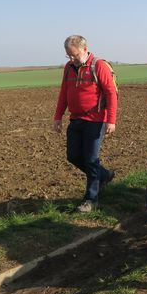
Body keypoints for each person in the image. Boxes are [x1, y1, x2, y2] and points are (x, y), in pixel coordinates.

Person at [53, 35, 117, 213]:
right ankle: (104, 175)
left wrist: (111, 120)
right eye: (68, 56)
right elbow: (64, 93)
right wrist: (58, 116)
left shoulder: (99, 66)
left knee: (90, 159)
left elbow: (111, 93)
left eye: (74, 55)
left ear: (84, 48)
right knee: (73, 156)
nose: (71, 59)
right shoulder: (69, 68)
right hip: (76, 119)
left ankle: (91, 200)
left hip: (96, 120)